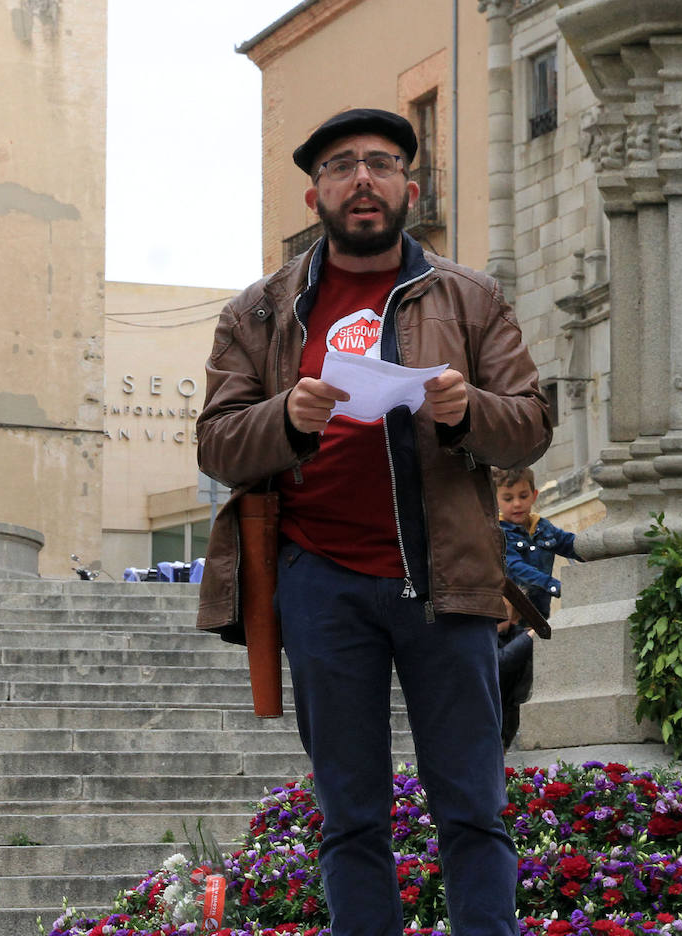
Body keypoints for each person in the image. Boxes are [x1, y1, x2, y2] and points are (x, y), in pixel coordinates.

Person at [195, 107, 551, 936]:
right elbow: (217, 442)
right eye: (343, 165)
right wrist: (287, 415)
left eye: (382, 164)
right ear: (314, 193)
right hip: (319, 580)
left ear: (409, 189)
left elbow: (531, 420)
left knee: (472, 806)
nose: (364, 179)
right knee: (351, 815)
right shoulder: (259, 312)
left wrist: (470, 410)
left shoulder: (470, 297)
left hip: (447, 581)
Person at [495, 467, 580, 621]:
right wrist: (552, 585)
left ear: (534, 496)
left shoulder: (543, 527)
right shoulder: (499, 533)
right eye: (508, 499)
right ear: (495, 501)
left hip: (540, 617)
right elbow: (516, 567)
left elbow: (571, 544)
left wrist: (600, 548)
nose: (517, 504)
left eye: (523, 496)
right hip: (510, 622)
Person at [495, 597, 535, 749]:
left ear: (515, 616)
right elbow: (500, 663)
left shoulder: (516, 635)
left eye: (502, 608)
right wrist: (529, 637)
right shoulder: (480, 637)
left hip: (508, 718)